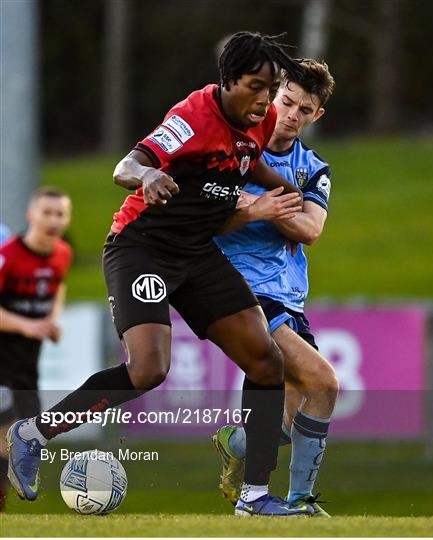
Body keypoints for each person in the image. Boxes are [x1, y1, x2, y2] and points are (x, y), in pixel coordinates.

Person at [7, 32, 315, 517]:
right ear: (229, 80)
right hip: (141, 249)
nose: (264, 100)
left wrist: (285, 194)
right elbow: (126, 165)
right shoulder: (191, 117)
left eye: (270, 86)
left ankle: (254, 497)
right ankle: (32, 432)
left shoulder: (263, 118)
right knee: (149, 369)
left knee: (265, 360)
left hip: (197, 253)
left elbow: (247, 161)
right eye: (256, 86)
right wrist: (148, 176)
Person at [213, 59, 339, 517]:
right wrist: (268, 208)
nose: (290, 114)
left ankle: (235, 441)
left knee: (283, 424)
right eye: (286, 101)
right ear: (273, 95)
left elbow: (312, 230)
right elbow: (213, 213)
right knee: (325, 381)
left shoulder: (313, 167)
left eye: (303, 109)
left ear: (315, 116)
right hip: (242, 288)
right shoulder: (238, 148)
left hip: (288, 295)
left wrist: (261, 205)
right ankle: (300, 500)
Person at [0, 187, 72, 510]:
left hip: (28, 362)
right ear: (31, 215)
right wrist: (29, 326)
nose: (53, 220)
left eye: (60, 214)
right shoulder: (8, 255)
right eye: (46, 212)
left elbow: (58, 288)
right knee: (5, 430)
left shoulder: (62, 254)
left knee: (27, 435)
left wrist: (52, 320)